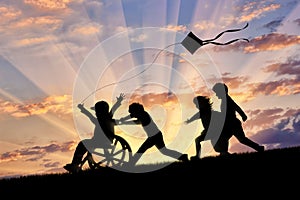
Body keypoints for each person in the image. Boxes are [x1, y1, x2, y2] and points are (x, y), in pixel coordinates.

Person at [64, 93, 125, 173]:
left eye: (97, 111)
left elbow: (90, 115)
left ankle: (75, 164)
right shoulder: (108, 117)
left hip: (100, 142)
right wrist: (119, 101)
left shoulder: (102, 120)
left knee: (82, 144)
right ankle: (77, 164)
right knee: (85, 145)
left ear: (100, 112)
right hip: (107, 141)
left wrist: (82, 109)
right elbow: (113, 109)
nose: (96, 113)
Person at [119, 102, 188, 166]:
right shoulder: (141, 113)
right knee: (164, 151)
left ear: (136, 111)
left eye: (133, 112)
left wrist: (124, 122)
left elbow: (136, 121)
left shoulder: (144, 115)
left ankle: (130, 164)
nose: (133, 115)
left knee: (141, 150)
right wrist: (123, 119)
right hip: (156, 135)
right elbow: (131, 116)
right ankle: (183, 157)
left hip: (154, 137)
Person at [212, 82, 264, 153]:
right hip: (229, 124)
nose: (216, 94)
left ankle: (259, 148)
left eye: (217, 92)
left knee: (241, 139)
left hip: (233, 124)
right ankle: (224, 153)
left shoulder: (227, 99)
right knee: (224, 139)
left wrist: (243, 115)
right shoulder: (225, 100)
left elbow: (236, 107)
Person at [185, 96, 229, 160]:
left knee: (198, 140)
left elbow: (197, 115)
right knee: (218, 148)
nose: (196, 106)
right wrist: (189, 120)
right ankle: (198, 156)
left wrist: (189, 121)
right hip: (210, 132)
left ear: (201, 103)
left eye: (197, 104)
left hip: (213, 132)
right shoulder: (206, 111)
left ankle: (197, 156)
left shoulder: (204, 111)